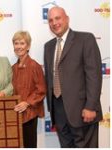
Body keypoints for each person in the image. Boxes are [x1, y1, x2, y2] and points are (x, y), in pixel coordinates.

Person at [44, 6, 103, 148]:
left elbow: (94, 75)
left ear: (67, 19)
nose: (54, 23)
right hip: (58, 111)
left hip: (83, 110)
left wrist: (91, 106)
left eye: (58, 18)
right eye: (51, 20)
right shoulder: (48, 46)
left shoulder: (85, 39)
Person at [12, 31, 46, 148]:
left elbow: (41, 90)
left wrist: (27, 103)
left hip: (29, 113)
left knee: (29, 145)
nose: (19, 46)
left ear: (28, 46)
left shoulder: (34, 66)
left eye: (22, 43)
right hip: (15, 113)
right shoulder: (13, 68)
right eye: (16, 43)